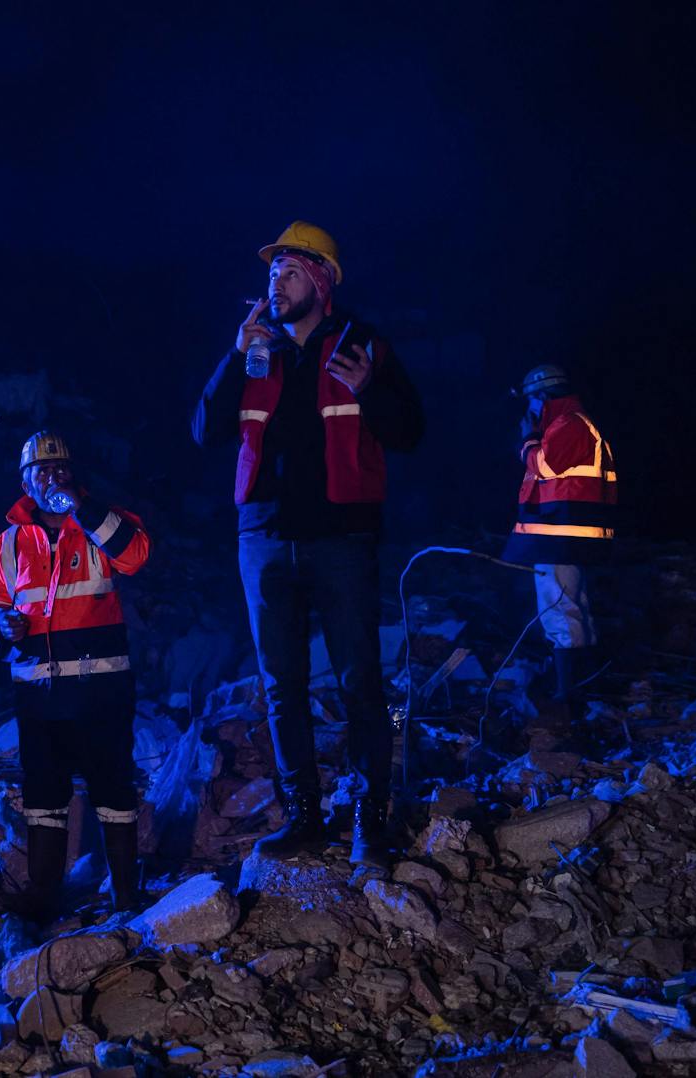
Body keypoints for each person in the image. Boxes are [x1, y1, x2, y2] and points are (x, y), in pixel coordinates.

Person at [192, 221, 424, 867]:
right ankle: (304, 818)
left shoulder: (361, 344)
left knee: (359, 682)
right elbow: (204, 431)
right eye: (272, 273)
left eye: (290, 272)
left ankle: (369, 820)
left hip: (341, 538)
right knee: (282, 686)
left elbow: (408, 432)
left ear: (321, 281)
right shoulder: (256, 350)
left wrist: (368, 390)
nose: (276, 283)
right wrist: (234, 357)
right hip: (263, 538)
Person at [0, 431, 151, 917]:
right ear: (25, 481)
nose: (51, 477)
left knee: (112, 787)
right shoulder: (9, 542)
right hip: (38, 692)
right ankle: (44, 896)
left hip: (101, 688)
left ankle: (125, 895)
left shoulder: (101, 523)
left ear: (73, 474)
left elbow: (135, 556)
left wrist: (83, 509)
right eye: (42, 471)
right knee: (43, 796)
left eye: (60, 469)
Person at [502, 364, 617, 733]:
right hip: (563, 534)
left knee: (559, 608)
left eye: (532, 401)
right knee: (572, 606)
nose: (530, 409)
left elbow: (547, 466)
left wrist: (528, 440)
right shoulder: (572, 422)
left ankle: (570, 697)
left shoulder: (567, 424)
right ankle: (581, 688)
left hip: (560, 536)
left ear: (542, 396)